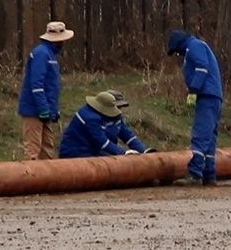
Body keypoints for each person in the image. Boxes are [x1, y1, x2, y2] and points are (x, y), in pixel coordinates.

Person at [166, 29, 223, 186]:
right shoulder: (197, 46)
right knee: (210, 138)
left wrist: (194, 89)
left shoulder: (194, 46)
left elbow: (201, 68)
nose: (178, 55)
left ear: (179, 45)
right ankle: (209, 174)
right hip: (213, 96)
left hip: (206, 96)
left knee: (201, 135)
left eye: (177, 52)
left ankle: (195, 173)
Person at [17, 21, 74, 160]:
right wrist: (43, 108)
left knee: (47, 149)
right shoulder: (41, 54)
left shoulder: (49, 55)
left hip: (44, 110)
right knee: (33, 150)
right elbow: (36, 84)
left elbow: (50, 87)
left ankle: (47, 180)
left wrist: (52, 111)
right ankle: (30, 179)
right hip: (33, 110)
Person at [58, 91, 154, 158]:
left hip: (97, 153)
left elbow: (127, 135)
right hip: (76, 153)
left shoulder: (115, 117)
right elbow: (101, 141)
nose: (119, 110)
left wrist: (143, 151)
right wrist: (123, 152)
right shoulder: (88, 117)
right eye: (118, 106)